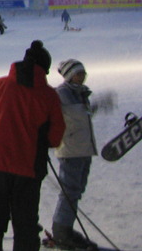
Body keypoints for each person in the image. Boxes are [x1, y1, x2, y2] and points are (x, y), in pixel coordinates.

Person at [0, 40, 65, 251]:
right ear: (43, 69)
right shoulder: (49, 96)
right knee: (25, 228)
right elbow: (55, 138)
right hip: (28, 171)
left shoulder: (0, 86)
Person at [50, 59, 114, 250]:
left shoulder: (79, 93)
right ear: (70, 75)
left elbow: (81, 115)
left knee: (76, 191)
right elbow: (74, 115)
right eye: (78, 73)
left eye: (83, 73)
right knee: (69, 192)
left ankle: (66, 228)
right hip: (70, 151)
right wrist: (91, 107)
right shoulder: (62, 94)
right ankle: (61, 232)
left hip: (83, 149)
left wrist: (95, 106)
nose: (82, 76)